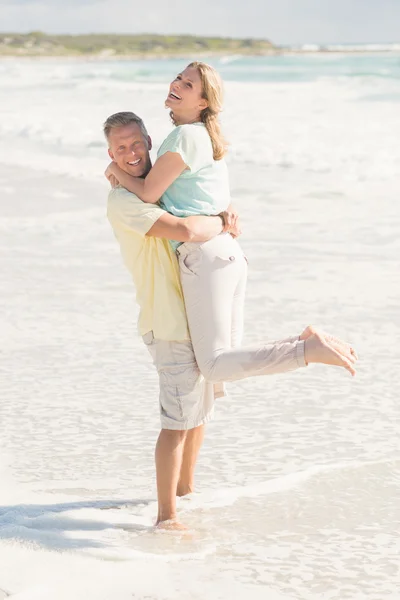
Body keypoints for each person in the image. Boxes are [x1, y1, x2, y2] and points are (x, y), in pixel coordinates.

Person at [104, 111, 357, 530]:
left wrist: (221, 209)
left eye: (135, 144)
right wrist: (221, 220)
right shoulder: (124, 200)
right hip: (168, 321)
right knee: (176, 423)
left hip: (196, 309)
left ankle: (186, 492)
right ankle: (167, 517)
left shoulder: (160, 188)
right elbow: (185, 229)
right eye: (120, 149)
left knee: (200, 414)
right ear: (110, 154)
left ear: (150, 141)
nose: (130, 154)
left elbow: (199, 200)